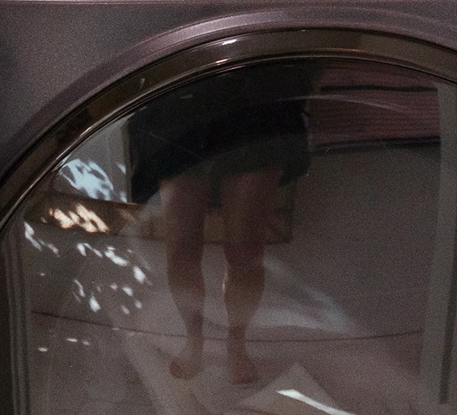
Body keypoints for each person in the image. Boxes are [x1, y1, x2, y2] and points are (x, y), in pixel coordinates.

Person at [127, 61, 316, 387]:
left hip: (257, 92)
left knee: (245, 251)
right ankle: (194, 339)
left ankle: (236, 342)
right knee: (181, 246)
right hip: (180, 92)